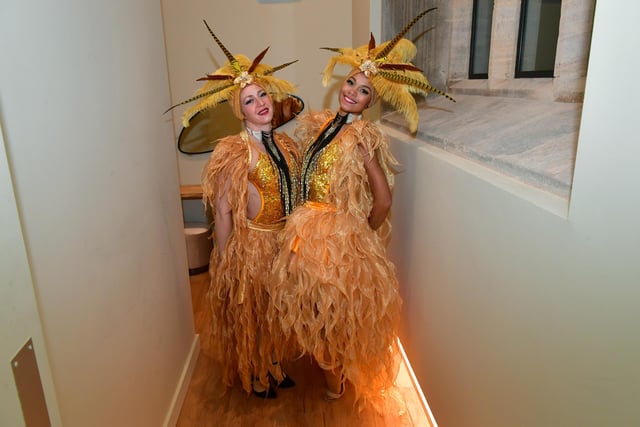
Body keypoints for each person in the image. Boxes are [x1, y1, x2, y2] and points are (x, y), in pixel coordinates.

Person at [268, 9, 454, 405]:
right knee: (314, 306)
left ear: (371, 102)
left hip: (337, 237)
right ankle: (327, 368)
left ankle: (335, 379)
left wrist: (360, 232)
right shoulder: (323, 125)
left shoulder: (363, 137)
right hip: (307, 230)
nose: (353, 90)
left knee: (330, 310)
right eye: (351, 81)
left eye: (364, 90)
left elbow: (383, 198)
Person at [167, 20, 300, 398]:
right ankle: (256, 371)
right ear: (240, 112)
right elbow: (223, 212)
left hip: (281, 243)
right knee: (254, 315)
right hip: (252, 248)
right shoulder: (234, 152)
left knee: (276, 311)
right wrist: (226, 261)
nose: (259, 104)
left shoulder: (285, 146)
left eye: (262, 96)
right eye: (249, 101)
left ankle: (274, 362)